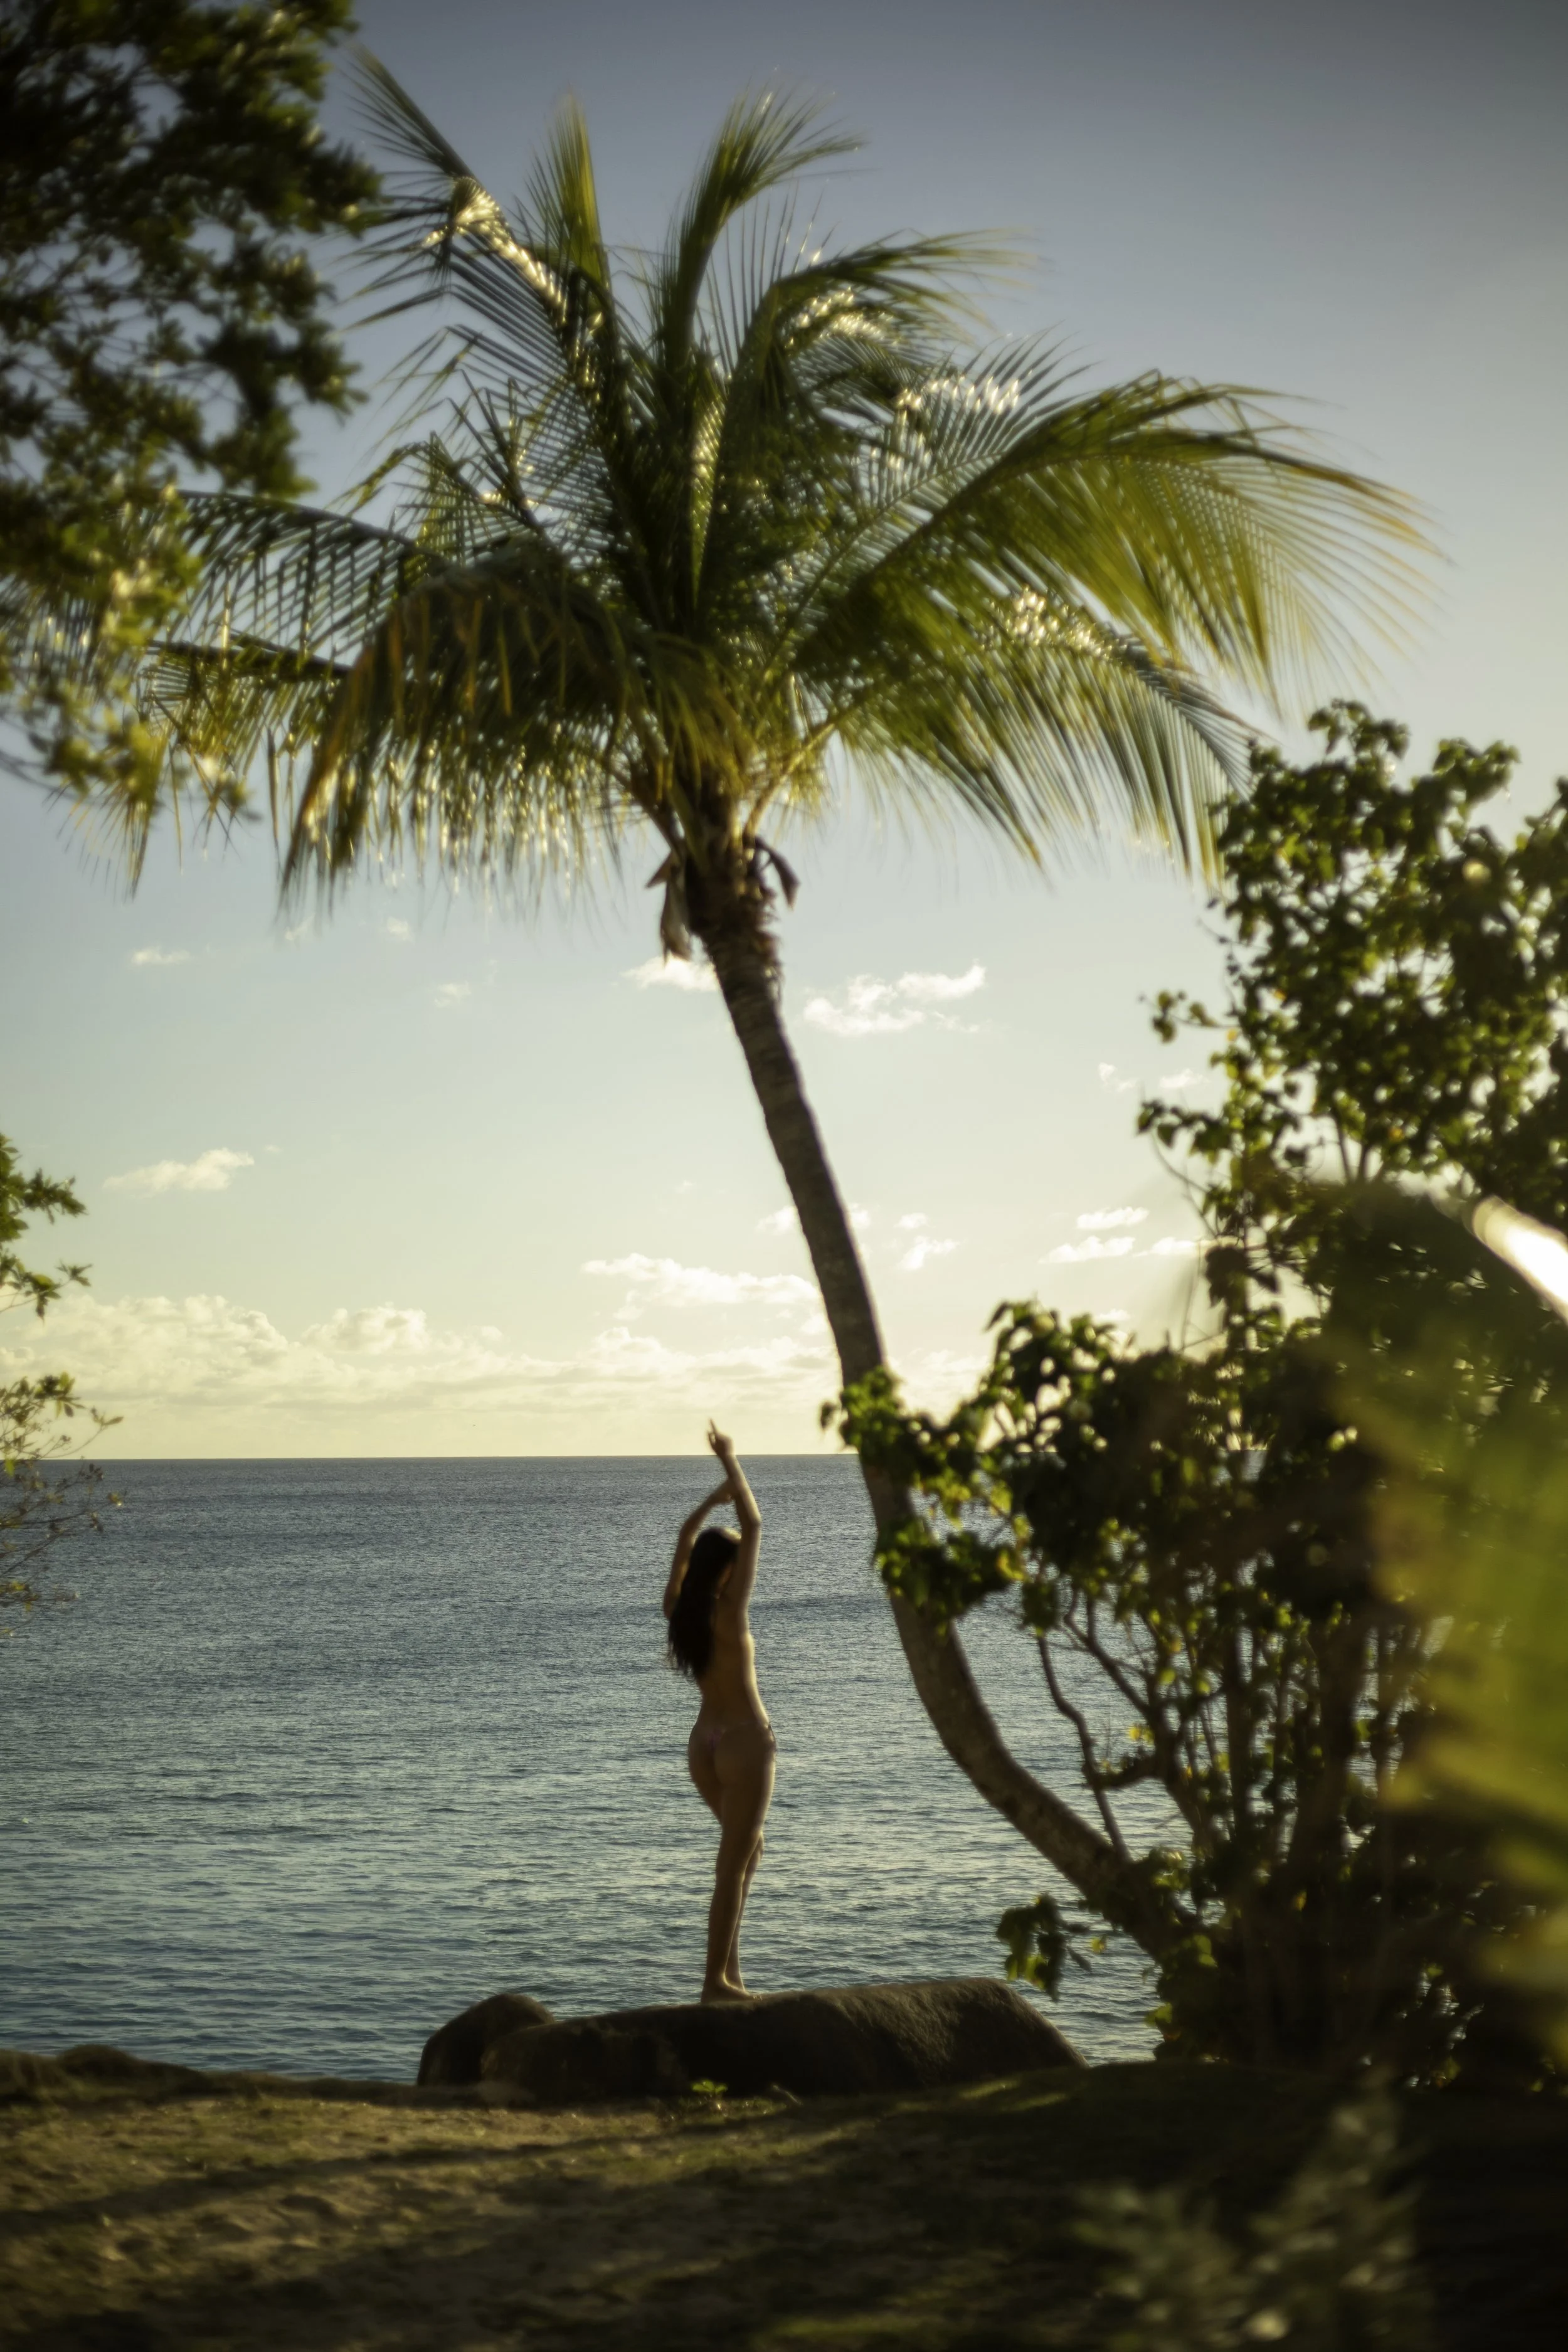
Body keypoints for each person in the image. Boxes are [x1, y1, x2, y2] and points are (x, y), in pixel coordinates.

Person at [662, 1421, 775, 2003]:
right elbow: (755, 1525)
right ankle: (715, 1983)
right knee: (733, 1865)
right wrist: (731, 1462)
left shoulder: (680, 1610)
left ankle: (730, 1974)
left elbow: (685, 1538)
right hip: (743, 1742)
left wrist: (710, 1500)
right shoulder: (730, 1612)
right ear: (726, 1570)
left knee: (745, 1853)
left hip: (703, 1744)